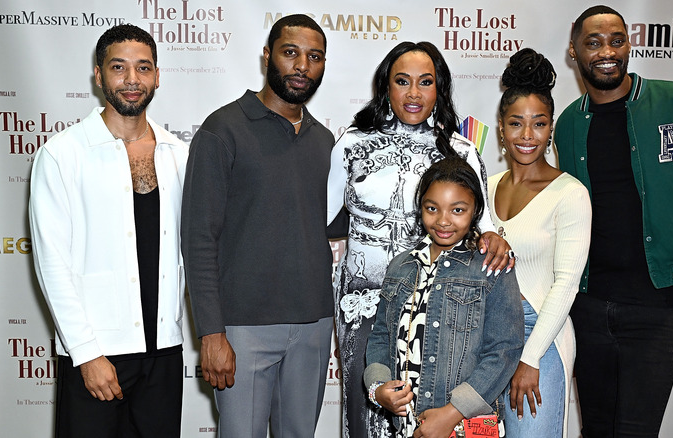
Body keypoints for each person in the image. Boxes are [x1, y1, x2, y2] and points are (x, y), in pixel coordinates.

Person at [554, 5, 673, 437]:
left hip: (658, 309)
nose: (607, 51)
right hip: (589, 308)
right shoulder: (566, 125)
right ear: (574, 53)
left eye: (617, 39)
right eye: (593, 42)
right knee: (596, 430)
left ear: (629, 45)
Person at [326, 41, 512, 437]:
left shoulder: (461, 150)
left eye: (425, 82)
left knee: (430, 410)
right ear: (385, 87)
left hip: (441, 302)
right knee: (365, 412)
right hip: (363, 304)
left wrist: (497, 240)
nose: (413, 94)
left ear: (439, 88)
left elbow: (487, 226)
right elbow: (319, 221)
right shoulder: (351, 144)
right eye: (402, 82)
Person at [29, 24, 188, 437]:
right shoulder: (62, 155)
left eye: (143, 68)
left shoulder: (179, 155)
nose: (132, 80)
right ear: (98, 75)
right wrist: (85, 354)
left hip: (164, 353)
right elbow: (52, 264)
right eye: (119, 67)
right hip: (98, 356)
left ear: (157, 76)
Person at [181, 14, 334, 437]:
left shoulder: (325, 141)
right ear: (268, 56)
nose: (302, 66)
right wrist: (211, 332)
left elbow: (342, 220)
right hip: (242, 328)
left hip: (313, 325)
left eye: (314, 57)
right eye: (291, 53)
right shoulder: (222, 129)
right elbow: (198, 239)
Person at [364, 156, 524, 438]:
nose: (443, 221)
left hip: (463, 427)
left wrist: (451, 414)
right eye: (432, 208)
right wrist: (378, 388)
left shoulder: (491, 266)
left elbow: (504, 350)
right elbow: (381, 335)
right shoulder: (401, 265)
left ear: (475, 210)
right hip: (407, 426)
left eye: (458, 210)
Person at [487, 48, 591, 438]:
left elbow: (566, 284)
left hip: (540, 339)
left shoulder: (570, 193)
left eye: (539, 124)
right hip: (487, 339)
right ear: (501, 128)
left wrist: (530, 359)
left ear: (550, 129)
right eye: (516, 123)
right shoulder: (485, 187)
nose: (527, 136)